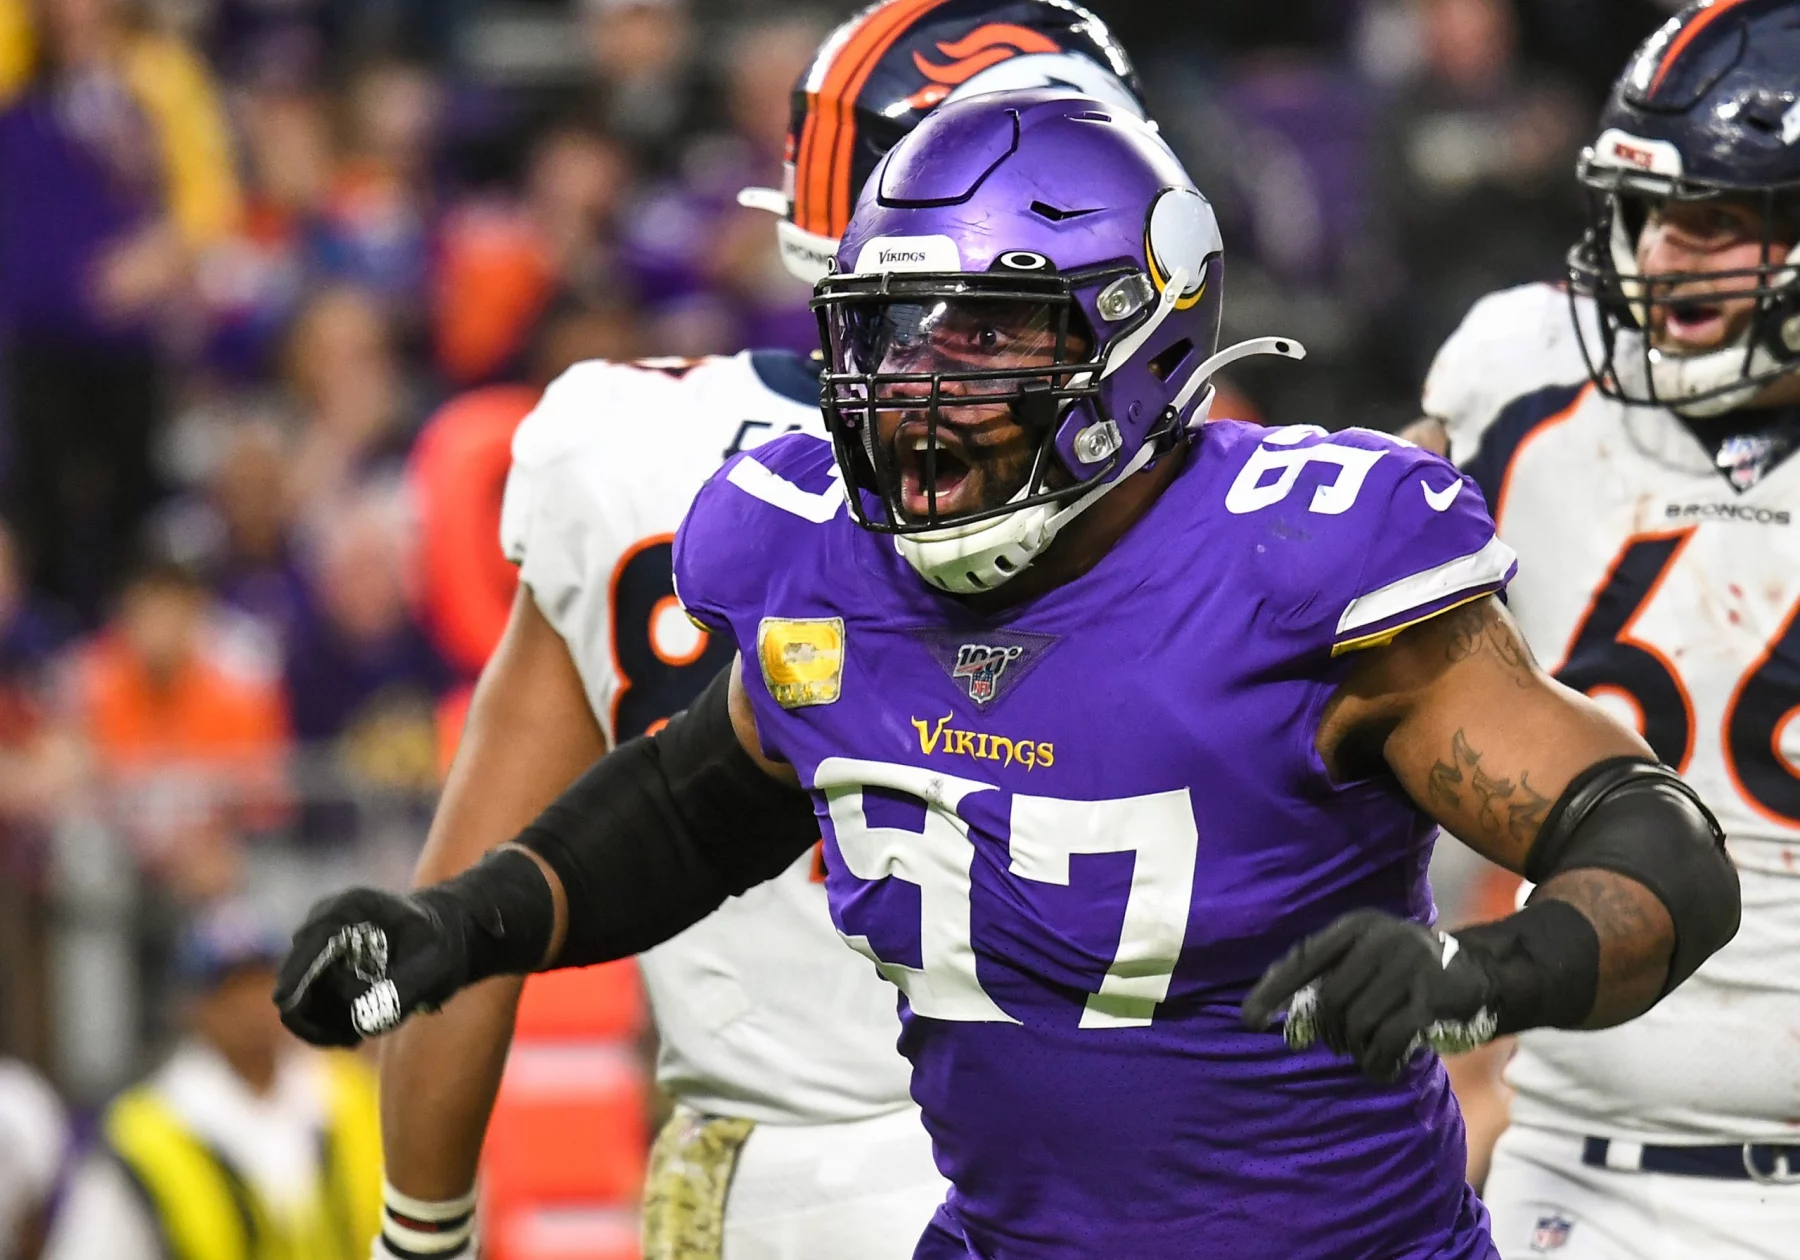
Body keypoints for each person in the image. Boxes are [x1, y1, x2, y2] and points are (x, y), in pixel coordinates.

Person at [276, 88, 1742, 1259]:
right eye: (895, 335)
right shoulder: (817, 552)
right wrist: (460, 927)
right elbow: (698, 803)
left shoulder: (1305, 572)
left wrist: (1479, 971)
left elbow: (1652, 846)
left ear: (1141, 334)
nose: (924, 390)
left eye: (992, 336)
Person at [316, 6, 1158, 1260]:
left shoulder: (627, 453)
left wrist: (418, 1235)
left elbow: (470, 902)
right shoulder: (1174, 487)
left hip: (777, 1186)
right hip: (1116, 1167)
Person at [1401, 1, 1800, 1255]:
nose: (1666, 259)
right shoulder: (1517, 378)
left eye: (1720, 221)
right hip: (1579, 1168)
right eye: (1650, 215)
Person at [43, 901, 380, 1260]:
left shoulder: (354, 1097)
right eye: (232, 989)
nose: (255, 1005)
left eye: (265, 982)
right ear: (191, 1008)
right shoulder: (146, 1134)